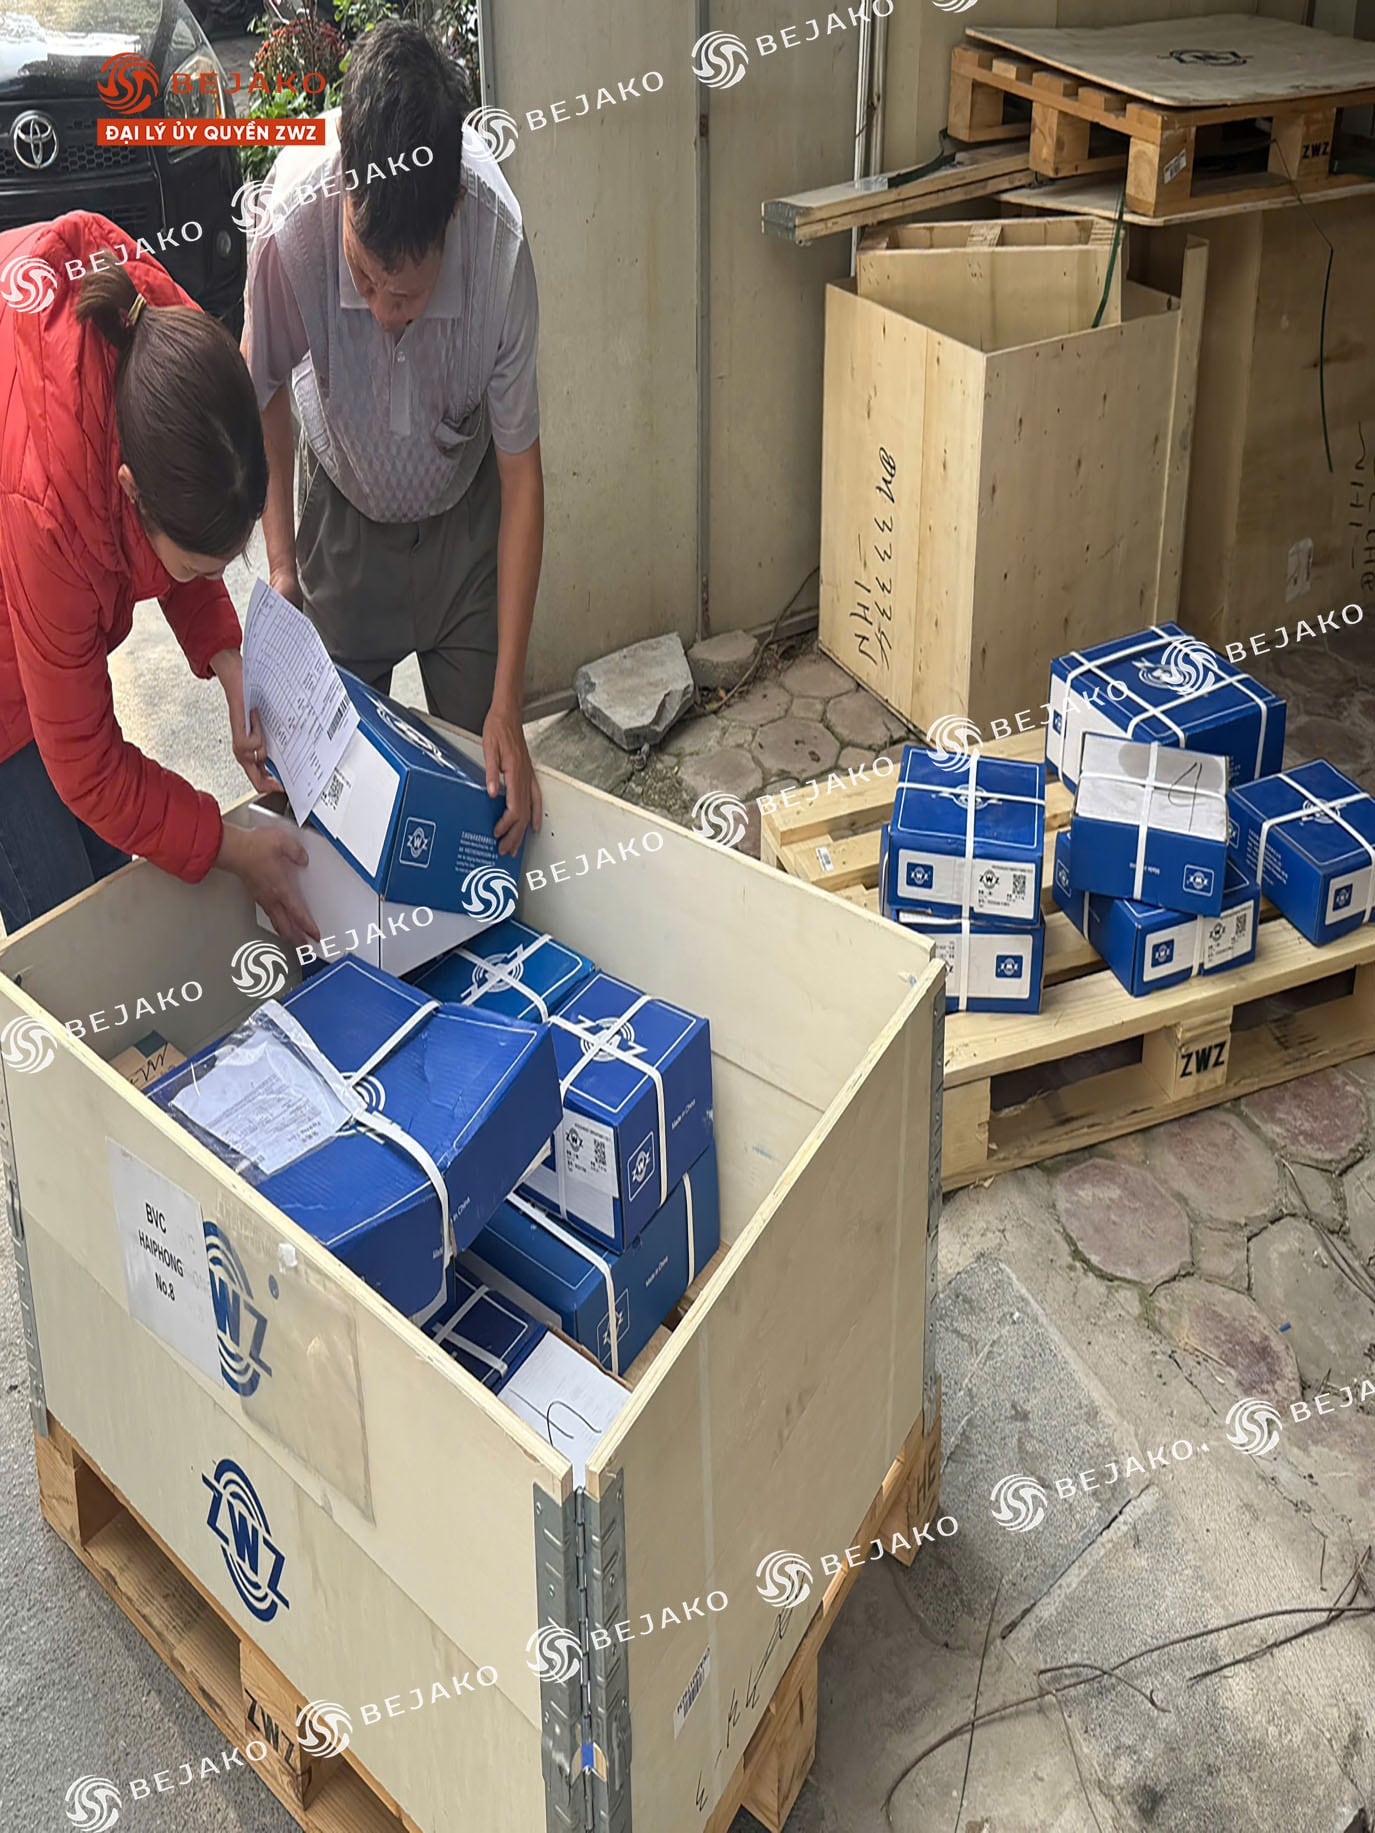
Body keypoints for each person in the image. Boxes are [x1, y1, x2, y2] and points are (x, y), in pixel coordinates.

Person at [242, 19, 543, 858]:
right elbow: (261, 391)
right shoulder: (291, 228)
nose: (380, 311)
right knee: (333, 793)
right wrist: (281, 567)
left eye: (405, 295)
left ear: (452, 213)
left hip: (465, 527)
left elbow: (522, 478)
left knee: (490, 796)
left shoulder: (498, 245)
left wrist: (508, 704)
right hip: (342, 523)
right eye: (364, 276)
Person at [0, 211, 318, 943]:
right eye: (196, 566)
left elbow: (189, 526)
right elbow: (85, 766)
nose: (207, 576)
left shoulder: (169, 342)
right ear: (129, 490)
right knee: (73, 931)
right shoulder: (53, 506)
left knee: (120, 880)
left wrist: (230, 662)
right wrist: (233, 848)